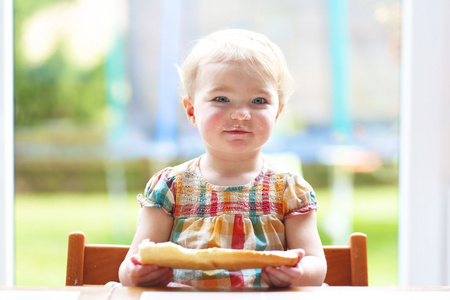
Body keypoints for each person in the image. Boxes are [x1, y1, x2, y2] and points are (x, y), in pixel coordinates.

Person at [119, 29, 327, 288]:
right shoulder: (170, 187)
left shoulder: (290, 190)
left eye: (258, 100)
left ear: (278, 112)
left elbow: (315, 264)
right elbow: (131, 265)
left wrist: (298, 272)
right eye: (222, 99)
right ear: (192, 110)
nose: (241, 114)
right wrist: (138, 273)